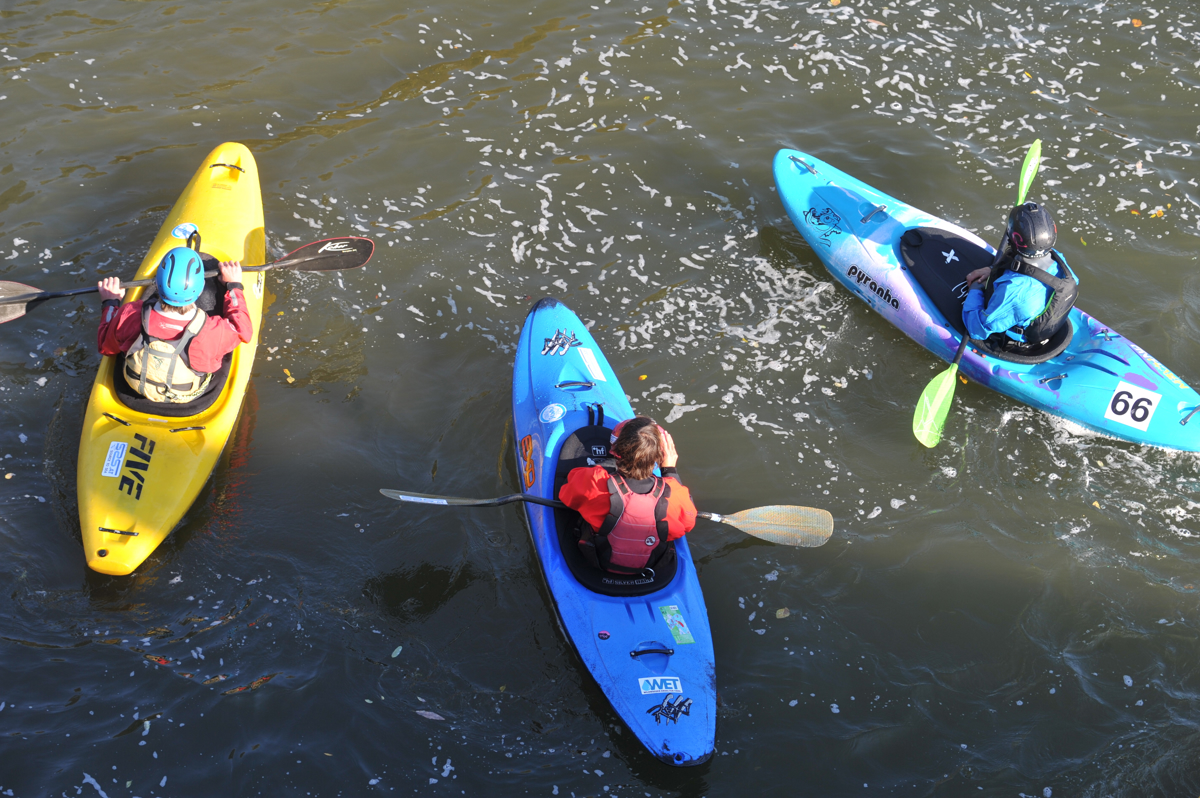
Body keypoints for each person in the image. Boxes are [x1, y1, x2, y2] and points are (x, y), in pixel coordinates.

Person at [97, 246, 253, 403]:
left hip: (136, 387)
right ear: (199, 291)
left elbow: (105, 345)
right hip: (186, 396)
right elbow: (243, 329)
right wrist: (233, 286)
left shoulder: (130, 314)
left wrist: (110, 302)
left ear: (157, 285)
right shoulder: (211, 331)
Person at [559, 416, 697, 574]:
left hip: (597, 559)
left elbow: (565, 495)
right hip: (650, 566)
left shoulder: (594, 480)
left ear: (615, 451)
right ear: (660, 457)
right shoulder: (675, 494)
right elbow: (687, 524)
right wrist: (670, 471)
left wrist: (602, 467)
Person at [962, 202, 1079, 349]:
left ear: (1014, 238)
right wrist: (993, 270)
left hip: (1016, 343)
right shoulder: (1059, 261)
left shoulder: (1014, 291)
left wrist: (976, 288)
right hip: (1040, 316)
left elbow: (976, 330)